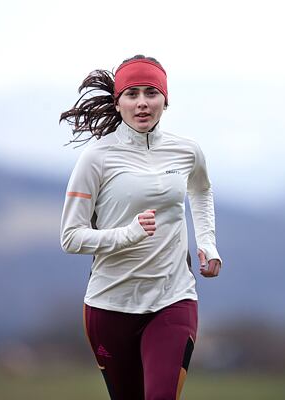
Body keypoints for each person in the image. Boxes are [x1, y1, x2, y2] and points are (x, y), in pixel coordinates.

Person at [59, 54, 222, 400]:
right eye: (132, 94)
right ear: (118, 103)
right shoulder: (96, 158)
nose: (143, 103)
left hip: (173, 297)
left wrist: (207, 242)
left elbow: (201, 189)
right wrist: (128, 234)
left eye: (151, 92)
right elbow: (70, 238)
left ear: (166, 99)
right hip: (109, 305)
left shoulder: (187, 151)